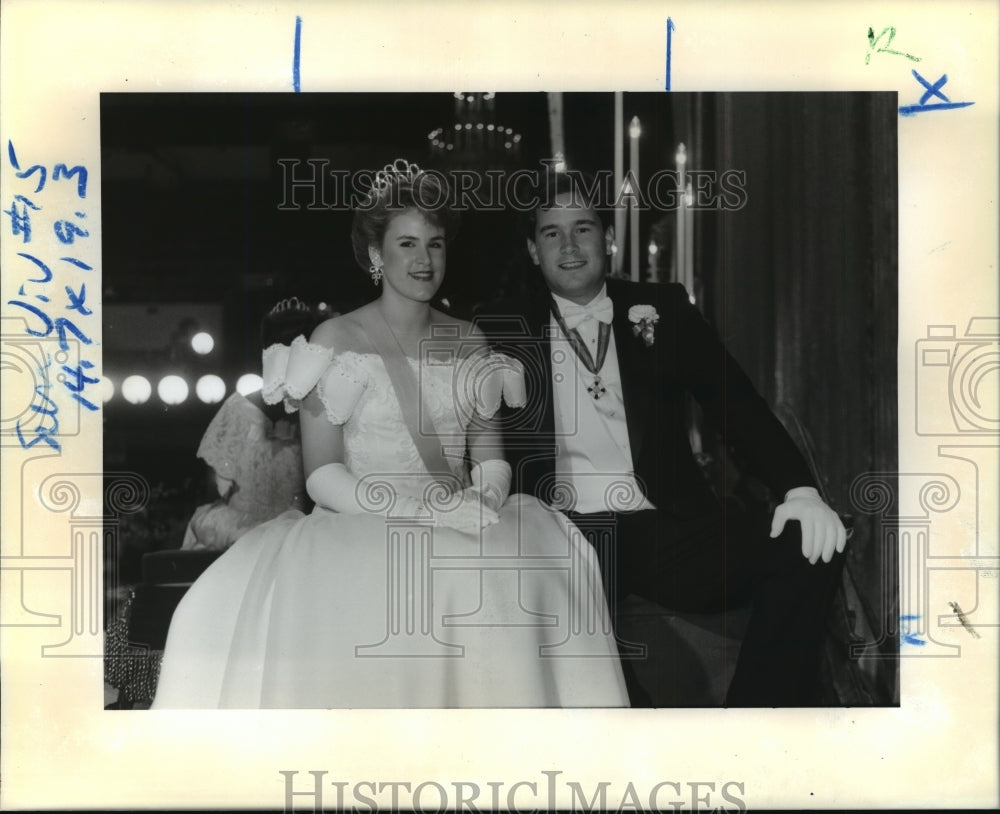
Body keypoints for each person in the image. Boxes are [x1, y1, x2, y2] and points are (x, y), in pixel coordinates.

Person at [152, 160, 629, 709]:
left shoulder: (471, 341)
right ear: (377, 255)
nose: (424, 260)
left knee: (524, 570)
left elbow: (491, 458)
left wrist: (483, 498)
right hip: (362, 522)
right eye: (407, 244)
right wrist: (419, 513)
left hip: (460, 516)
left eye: (435, 244)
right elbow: (322, 475)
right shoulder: (336, 337)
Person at [475, 169, 847, 707]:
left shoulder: (662, 308)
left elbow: (735, 405)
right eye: (552, 233)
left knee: (810, 550)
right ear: (534, 251)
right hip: (566, 532)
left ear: (608, 239)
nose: (570, 245)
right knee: (583, 649)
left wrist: (799, 490)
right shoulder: (500, 325)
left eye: (583, 228)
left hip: (667, 524)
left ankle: (753, 723)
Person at [180, 298, 320, 551]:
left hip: (303, 536)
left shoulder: (325, 413)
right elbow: (213, 490)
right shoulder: (239, 411)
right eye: (281, 348)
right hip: (244, 534)